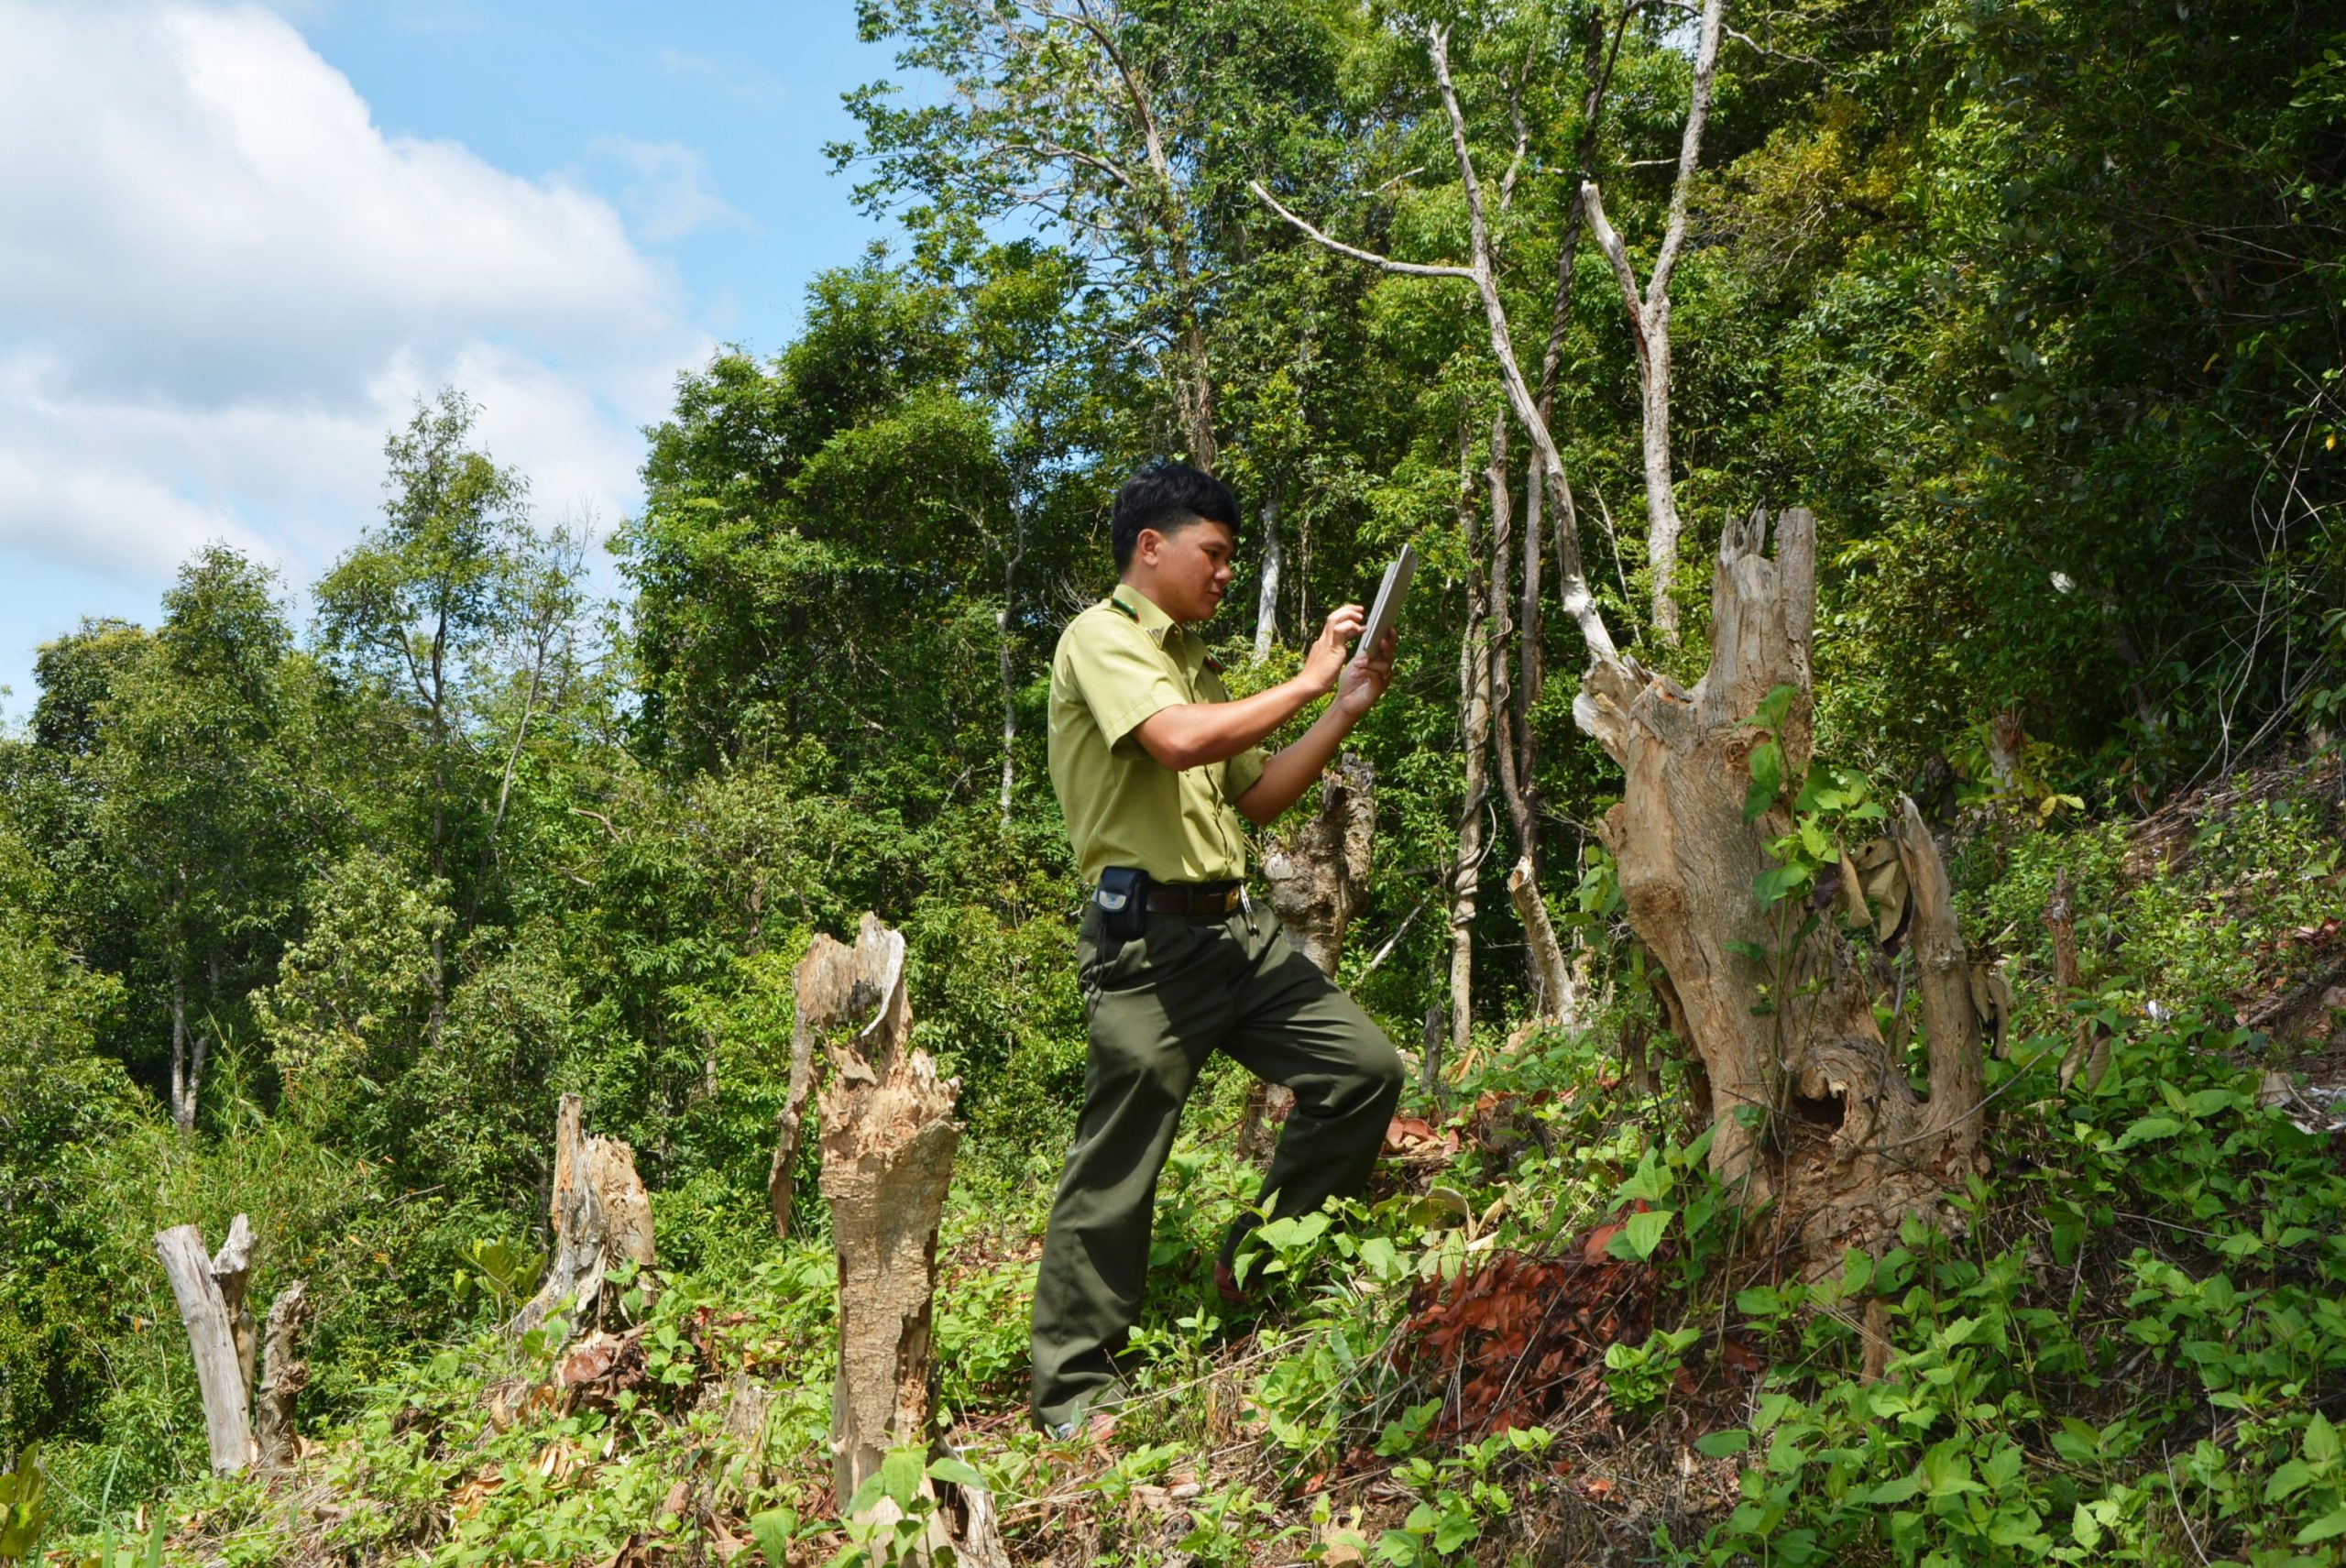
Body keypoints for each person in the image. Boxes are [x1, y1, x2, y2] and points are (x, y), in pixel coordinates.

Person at [1029, 458, 1406, 1437]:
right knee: (1118, 1164)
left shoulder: (1189, 658)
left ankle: (1259, 1267)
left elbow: (1258, 790)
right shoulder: (1101, 640)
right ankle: (1074, 1392)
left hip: (1237, 933)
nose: (1224, 573)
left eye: (1233, 557)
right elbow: (1179, 743)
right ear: (1149, 547)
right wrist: (1308, 674)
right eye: (1215, 553)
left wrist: (1344, 705)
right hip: (1146, 947)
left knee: (1362, 1071)